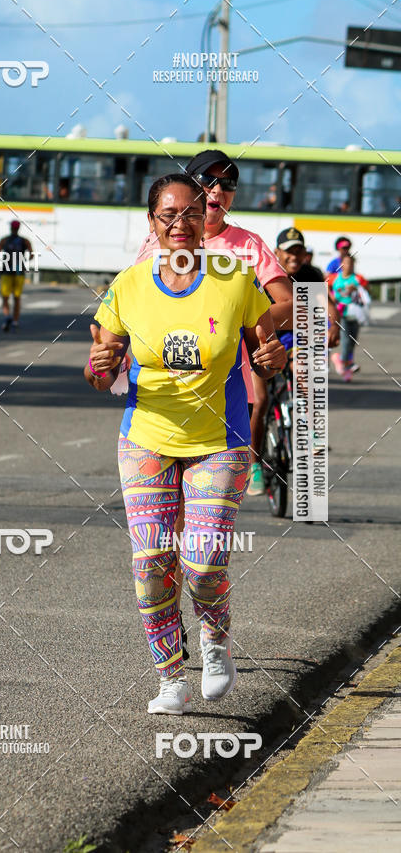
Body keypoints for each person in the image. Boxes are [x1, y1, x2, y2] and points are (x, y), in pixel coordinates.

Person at [86, 173, 287, 715]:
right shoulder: (127, 285)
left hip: (220, 439)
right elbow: (99, 366)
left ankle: (215, 640)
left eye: (191, 213)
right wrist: (101, 369)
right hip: (146, 437)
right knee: (152, 561)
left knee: (201, 561)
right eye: (167, 215)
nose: (180, 223)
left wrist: (274, 357)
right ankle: (169, 677)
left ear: (207, 219)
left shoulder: (234, 278)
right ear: (151, 223)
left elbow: (266, 341)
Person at [136, 149, 293, 499]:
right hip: (165, 392)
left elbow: (292, 304)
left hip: (229, 393)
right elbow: (135, 304)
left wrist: (245, 321)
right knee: (168, 513)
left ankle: (254, 461)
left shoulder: (248, 245)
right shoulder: (156, 243)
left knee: (207, 516)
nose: (217, 191)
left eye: (228, 183)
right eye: (207, 181)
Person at [274, 227, 340, 352]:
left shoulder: (310, 274)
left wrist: (334, 328)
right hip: (269, 340)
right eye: (289, 251)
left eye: (298, 252)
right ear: (277, 252)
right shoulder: (267, 274)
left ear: (305, 253)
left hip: (300, 339)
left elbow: (328, 305)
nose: (294, 257)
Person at [331, 253, 370, 382]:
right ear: (342, 264)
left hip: (355, 314)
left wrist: (357, 287)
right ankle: (341, 360)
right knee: (346, 341)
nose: (349, 266)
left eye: (351, 263)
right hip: (342, 314)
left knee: (352, 343)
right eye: (346, 263)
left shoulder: (358, 278)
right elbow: (325, 289)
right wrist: (332, 300)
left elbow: (367, 292)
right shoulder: (335, 278)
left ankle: (347, 370)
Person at [0, 220, 32, 332]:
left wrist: (4, 260)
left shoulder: (4, 240)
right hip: (19, 273)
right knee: (17, 298)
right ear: (19, 228)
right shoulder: (25, 241)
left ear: (10, 228)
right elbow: (31, 254)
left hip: (6, 272)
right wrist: (24, 260)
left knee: (5, 297)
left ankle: (7, 316)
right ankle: (15, 321)